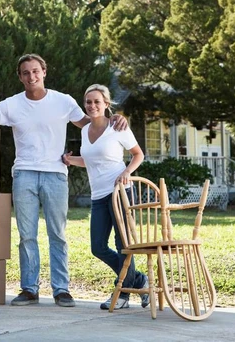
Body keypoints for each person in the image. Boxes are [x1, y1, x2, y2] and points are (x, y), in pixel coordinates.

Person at [0, 54, 127, 307]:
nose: (31, 77)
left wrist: (117, 117)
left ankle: (61, 289)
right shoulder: (11, 104)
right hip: (24, 175)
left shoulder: (62, 101)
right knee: (27, 235)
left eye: (35, 71)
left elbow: (94, 123)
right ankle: (29, 289)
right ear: (20, 77)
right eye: (26, 73)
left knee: (58, 234)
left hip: (55, 175)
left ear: (44, 72)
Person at [62, 84, 149, 310]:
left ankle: (122, 295)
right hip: (98, 195)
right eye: (88, 102)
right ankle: (138, 280)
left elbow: (138, 154)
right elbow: (91, 160)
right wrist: (71, 161)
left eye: (97, 102)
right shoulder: (84, 130)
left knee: (123, 245)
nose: (92, 106)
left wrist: (126, 172)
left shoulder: (117, 127)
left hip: (121, 193)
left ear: (106, 105)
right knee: (98, 247)